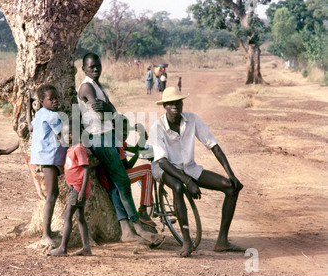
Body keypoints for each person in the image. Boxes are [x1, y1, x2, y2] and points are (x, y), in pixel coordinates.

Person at [78, 52, 163, 247]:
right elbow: (102, 112)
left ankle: (126, 230)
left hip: (107, 136)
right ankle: (138, 227)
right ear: (84, 69)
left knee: (116, 185)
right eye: (91, 67)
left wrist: (109, 109)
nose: (96, 69)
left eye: (98, 65)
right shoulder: (86, 86)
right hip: (99, 138)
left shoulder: (98, 86)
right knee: (123, 181)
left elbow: (111, 110)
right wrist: (109, 109)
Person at [150, 87, 244, 257]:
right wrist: (188, 182)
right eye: (170, 103)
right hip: (165, 168)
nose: (175, 106)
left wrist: (231, 174)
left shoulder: (192, 119)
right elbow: (162, 161)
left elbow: (213, 145)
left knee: (231, 188)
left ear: (182, 103)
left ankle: (222, 241)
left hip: (189, 168)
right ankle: (186, 242)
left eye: (178, 102)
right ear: (164, 106)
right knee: (178, 187)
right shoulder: (157, 127)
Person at [27, 84, 68, 248]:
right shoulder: (52, 116)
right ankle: (45, 234)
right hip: (49, 158)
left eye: (55, 98)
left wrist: (27, 108)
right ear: (42, 101)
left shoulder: (40, 113)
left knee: (54, 193)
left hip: (43, 157)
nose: (54, 101)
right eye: (50, 99)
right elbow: (62, 137)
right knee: (51, 195)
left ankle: (48, 231)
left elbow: (30, 127)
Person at [96, 115, 156, 227]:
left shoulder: (119, 141)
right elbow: (128, 166)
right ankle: (143, 210)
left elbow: (134, 149)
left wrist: (143, 137)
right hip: (114, 179)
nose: (124, 133)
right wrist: (138, 153)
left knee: (146, 170)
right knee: (148, 170)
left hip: (116, 177)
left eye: (126, 130)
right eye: (121, 130)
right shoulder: (115, 142)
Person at [49, 123, 92, 256]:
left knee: (68, 215)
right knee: (79, 217)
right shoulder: (71, 148)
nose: (67, 136)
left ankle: (63, 248)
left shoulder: (78, 148)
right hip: (75, 187)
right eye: (65, 134)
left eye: (70, 134)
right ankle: (86, 248)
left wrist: (82, 190)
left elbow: (86, 169)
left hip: (78, 188)